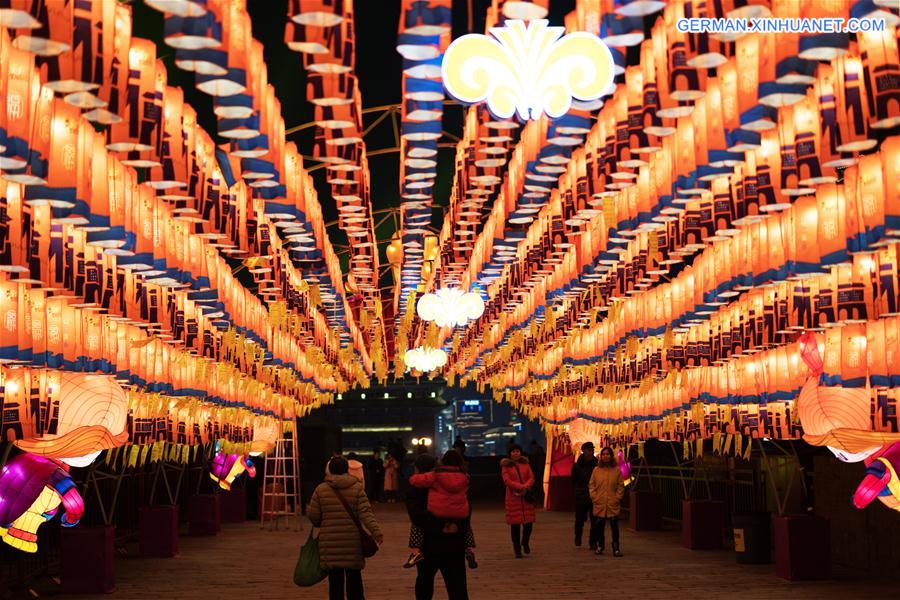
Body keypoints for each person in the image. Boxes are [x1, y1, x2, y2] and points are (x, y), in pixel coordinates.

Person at [308, 456, 384, 600]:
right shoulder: (357, 488)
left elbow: (314, 517)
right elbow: (366, 514)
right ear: (346, 469)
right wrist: (376, 532)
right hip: (352, 542)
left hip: (329, 542)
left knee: (335, 582)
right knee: (354, 579)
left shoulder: (321, 489)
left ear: (329, 470)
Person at [406, 453, 471, 600]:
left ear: (417, 468)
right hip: (455, 539)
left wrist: (440, 525)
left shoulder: (418, 486)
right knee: (457, 585)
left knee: (424, 583)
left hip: (429, 541)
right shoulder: (460, 480)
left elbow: (416, 516)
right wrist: (455, 525)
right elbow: (467, 509)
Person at [500, 443, 536, 558]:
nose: (515, 453)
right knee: (515, 526)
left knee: (529, 524)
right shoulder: (506, 466)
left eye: (517, 451)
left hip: (526, 498)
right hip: (513, 498)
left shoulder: (525, 464)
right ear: (509, 454)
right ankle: (517, 549)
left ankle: (525, 543)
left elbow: (531, 477)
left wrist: (526, 487)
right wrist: (521, 487)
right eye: (513, 451)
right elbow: (506, 481)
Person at [589, 446, 625, 557]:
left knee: (614, 526)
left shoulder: (617, 470)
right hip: (599, 502)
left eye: (608, 454)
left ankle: (616, 547)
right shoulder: (596, 470)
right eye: (603, 454)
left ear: (611, 456)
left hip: (612, 502)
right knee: (599, 526)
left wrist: (618, 497)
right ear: (601, 456)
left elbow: (620, 485)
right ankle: (600, 545)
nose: (605, 456)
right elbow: (592, 485)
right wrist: (595, 497)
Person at [571, 441, 598, 548]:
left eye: (592, 450)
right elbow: (573, 480)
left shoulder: (597, 465)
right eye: (588, 450)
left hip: (594, 496)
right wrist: (578, 491)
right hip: (581, 495)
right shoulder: (577, 466)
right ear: (583, 451)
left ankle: (593, 542)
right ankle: (578, 536)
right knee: (579, 520)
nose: (591, 452)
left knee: (594, 520)